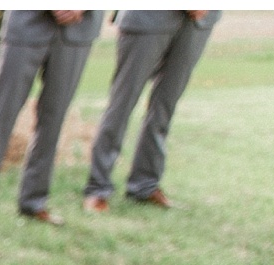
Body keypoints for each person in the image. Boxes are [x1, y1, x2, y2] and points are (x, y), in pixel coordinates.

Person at [0, 11, 102, 231]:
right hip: (28, 21)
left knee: (54, 117)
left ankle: (34, 202)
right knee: (1, 115)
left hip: (78, 25)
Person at [83, 10, 220, 212]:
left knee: (165, 106)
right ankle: (98, 187)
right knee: (122, 103)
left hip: (199, 20)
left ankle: (145, 184)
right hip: (148, 16)